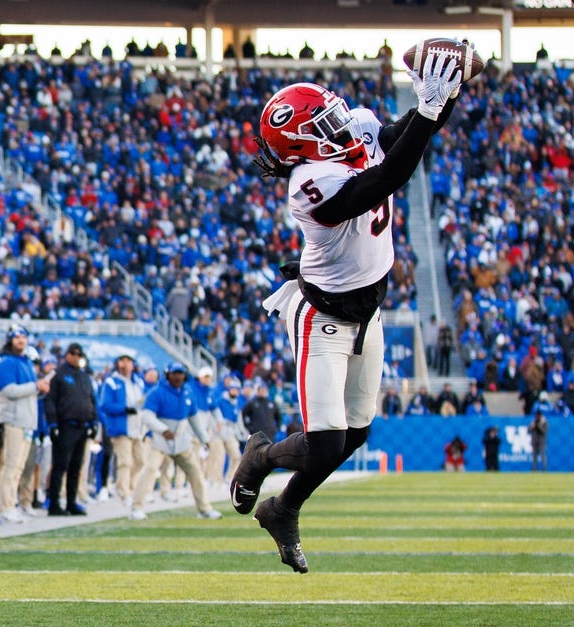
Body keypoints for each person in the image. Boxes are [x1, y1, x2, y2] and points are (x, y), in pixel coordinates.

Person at [232, 47, 469, 573]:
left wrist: (447, 91)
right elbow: (382, 181)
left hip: (369, 312)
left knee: (356, 434)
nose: (341, 122)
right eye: (325, 121)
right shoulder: (307, 186)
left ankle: (283, 508)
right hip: (323, 318)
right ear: (303, 144)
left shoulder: (353, 128)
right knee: (326, 443)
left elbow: (409, 132)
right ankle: (262, 457)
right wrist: (431, 109)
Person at [131, 362, 221, 521]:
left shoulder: (188, 392)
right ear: (167, 375)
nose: (178, 377)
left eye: (180, 373)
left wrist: (204, 439)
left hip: (181, 438)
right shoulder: (157, 392)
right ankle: (136, 508)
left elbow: (194, 418)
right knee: (150, 470)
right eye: (174, 373)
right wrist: (162, 429)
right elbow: (147, 416)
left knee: (195, 472)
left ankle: (204, 508)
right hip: (159, 439)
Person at [0, 325, 51, 523]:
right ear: (10, 340)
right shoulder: (7, 362)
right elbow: (8, 390)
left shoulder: (26, 362)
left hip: (27, 421)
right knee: (10, 465)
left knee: (18, 467)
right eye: (16, 337)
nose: (20, 340)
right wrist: (35, 386)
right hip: (14, 420)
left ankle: (12, 503)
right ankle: (5, 505)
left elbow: (27, 392)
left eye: (23, 337)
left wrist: (39, 389)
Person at [44, 342, 98, 516]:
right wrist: (52, 424)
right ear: (66, 355)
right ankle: (54, 503)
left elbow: (91, 400)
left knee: (76, 466)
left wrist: (93, 421)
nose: (76, 356)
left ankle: (71, 502)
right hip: (65, 426)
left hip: (82, 426)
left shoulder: (84, 377)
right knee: (60, 466)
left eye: (79, 354)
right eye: (73, 353)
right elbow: (50, 400)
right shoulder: (58, 374)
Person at [99, 353, 146, 505]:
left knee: (140, 461)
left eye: (128, 361)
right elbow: (105, 405)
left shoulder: (138, 382)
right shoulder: (112, 382)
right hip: (121, 427)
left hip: (137, 427)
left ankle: (130, 487)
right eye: (122, 360)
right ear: (117, 363)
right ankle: (124, 492)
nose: (125, 364)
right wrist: (125, 409)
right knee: (125, 462)